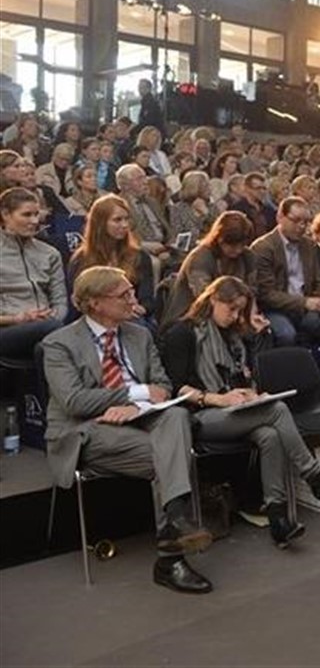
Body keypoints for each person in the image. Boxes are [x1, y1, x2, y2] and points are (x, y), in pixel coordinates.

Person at [42, 266, 213, 594]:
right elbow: (75, 401)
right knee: (168, 455)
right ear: (95, 303)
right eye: (123, 295)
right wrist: (135, 393)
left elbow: (163, 386)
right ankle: (172, 552)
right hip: (88, 428)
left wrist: (136, 408)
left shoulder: (139, 334)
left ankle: (174, 530)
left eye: (132, 292)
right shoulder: (59, 344)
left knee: (176, 417)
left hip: (141, 418)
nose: (133, 300)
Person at [160, 276, 320, 547]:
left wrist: (251, 394)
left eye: (240, 310)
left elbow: (241, 379)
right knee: (277, 410)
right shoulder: (182, 333)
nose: (235, 316)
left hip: (231, 411)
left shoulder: (231, 335)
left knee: (270, 435)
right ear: (213, 299)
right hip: (197, 415)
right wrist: (217, 399)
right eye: (231, 308)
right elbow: (176, 388)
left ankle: (278, 518)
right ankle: (316, 477)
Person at [250, 197, 320, 345]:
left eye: (306, 222)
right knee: (286, 334)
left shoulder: (309, 245)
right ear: (280, 217)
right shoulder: (264, 248)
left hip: (305, 305)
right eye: (296, 220)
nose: (301, 226)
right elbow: (266, 294)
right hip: (275, 308)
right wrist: (304, 302)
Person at [68, 194, 157, 323]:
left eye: (126, 219)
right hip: (94, 318)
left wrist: (141, 308)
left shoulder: (139, 256)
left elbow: (147, 300)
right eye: (117, 220)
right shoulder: (81, 259)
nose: (125, 225)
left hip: (131, 317)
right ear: (100, 223)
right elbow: (78, 301)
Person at [0, 187, 67, 356]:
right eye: (26, 215)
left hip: (48, 325)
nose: (35, 221)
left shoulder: (50, 253)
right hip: (7, 328)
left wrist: (54, 317)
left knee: (46, 346)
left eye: (36, 214)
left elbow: (60, 300)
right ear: (5, 214)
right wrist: (17, 318)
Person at [162, 211, 258, 323]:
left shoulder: (247, 257)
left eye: (242, 245)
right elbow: (204, 299)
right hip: (191, 318)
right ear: (220, 239)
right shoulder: (200, 258)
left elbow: (251, 292)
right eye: (232, 245)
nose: (238, 250)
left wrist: (250, 317)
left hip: (233, 315)